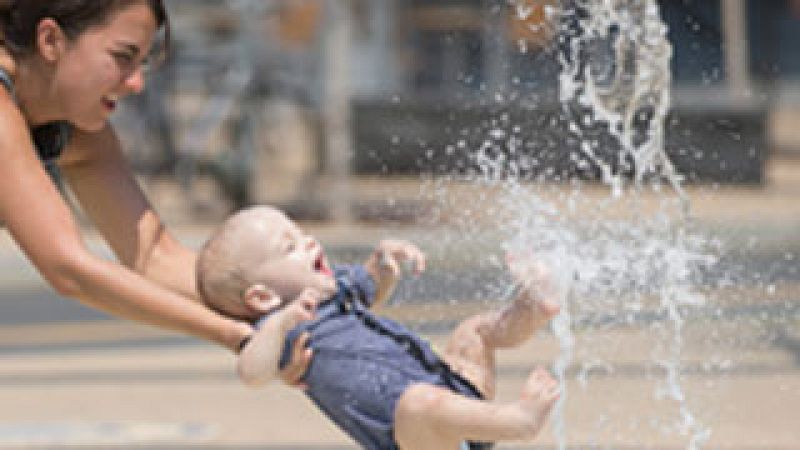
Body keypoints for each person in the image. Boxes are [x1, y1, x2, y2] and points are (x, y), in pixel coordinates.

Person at [0, 1, 323, 381]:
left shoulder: (76, 131)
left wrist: (294, 305)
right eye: (123, 57)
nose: (136, 83)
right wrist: (239, 337)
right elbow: (69, 270)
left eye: (143, 63)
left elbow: (154, 255)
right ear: (51, 40)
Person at [196, 205, 562, 450]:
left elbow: (371, 289)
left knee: (475, 332)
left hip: (455, 398)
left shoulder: (332, 286)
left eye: (301, 232)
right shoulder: (283, 329)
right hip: (414, 435)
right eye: (289, 246)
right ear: (261, 298)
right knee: (419, 402)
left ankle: (535, 305)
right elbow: (251, 374)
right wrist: (276, 326)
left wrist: (382, 265)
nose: (309, 241)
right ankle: (517, 421)